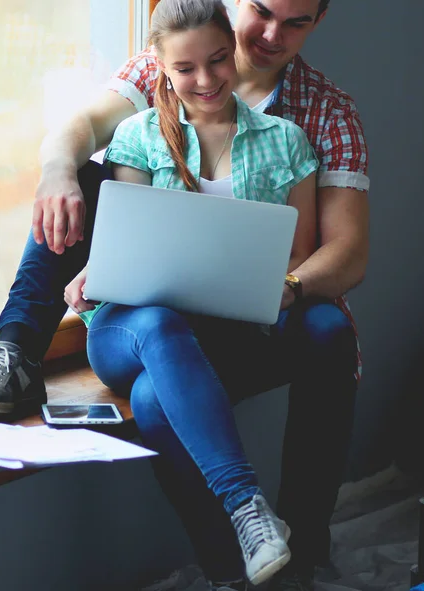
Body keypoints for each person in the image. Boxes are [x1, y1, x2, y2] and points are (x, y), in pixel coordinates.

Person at [0, 1, 369, 589]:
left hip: (247, 319)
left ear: (319, 21)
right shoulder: (151, 97)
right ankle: (15, 349)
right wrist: (59, 181)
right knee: (88, 191)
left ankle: (277, 556)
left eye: (297, 22)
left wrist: (287, 285)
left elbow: (342, 250)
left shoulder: (309, 123)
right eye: (263, 11)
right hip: (144, 320)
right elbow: (117, 201)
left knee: (164, 391)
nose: (274, 34)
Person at [61, 2, 319, 587]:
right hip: (128, 330)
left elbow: (298, 257)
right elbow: (128, 250)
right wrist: (94, 272)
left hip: (223, 334)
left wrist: (274, 284)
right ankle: (247, 506)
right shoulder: (138, 134)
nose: (206, 81)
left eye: (218, 60)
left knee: (154, 402)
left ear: (233, 48)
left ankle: (229, 572)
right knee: (157, 324)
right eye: (185, 69)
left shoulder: (287, 141)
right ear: (160, 69)